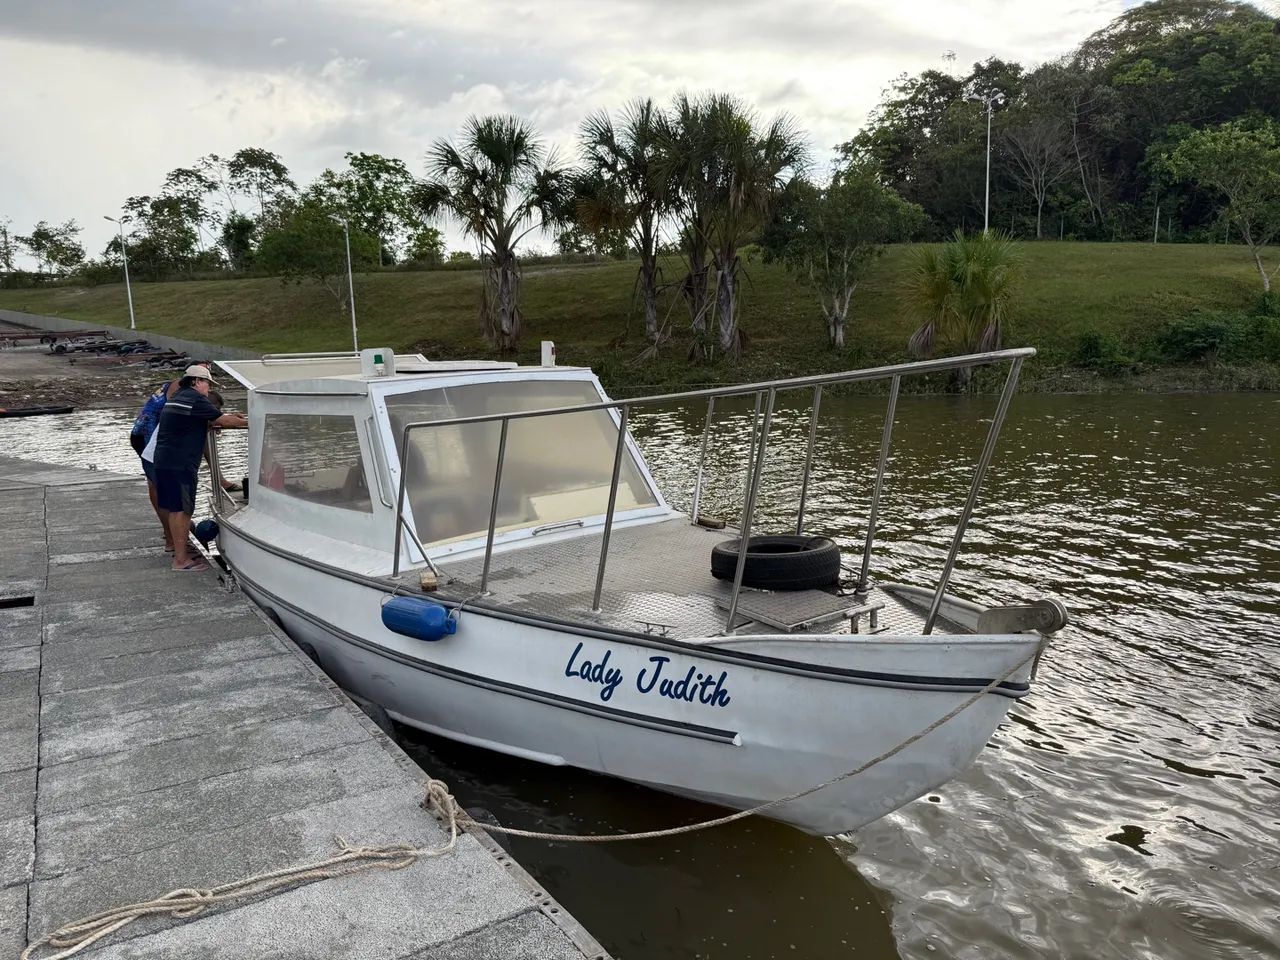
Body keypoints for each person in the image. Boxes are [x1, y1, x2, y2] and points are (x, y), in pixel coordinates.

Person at [151, 364, 248, 571]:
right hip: (180, 464)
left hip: (164, 461)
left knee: (174, 508)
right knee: (183, 510)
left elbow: (203, 420)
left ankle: (179, 553)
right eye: (207, 384)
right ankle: (181, 560)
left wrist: (218, 421)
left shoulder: (179, 397)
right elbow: (222, 420)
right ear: (196, 381)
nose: (208, 389)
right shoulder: (194, 399)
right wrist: (252, 421)